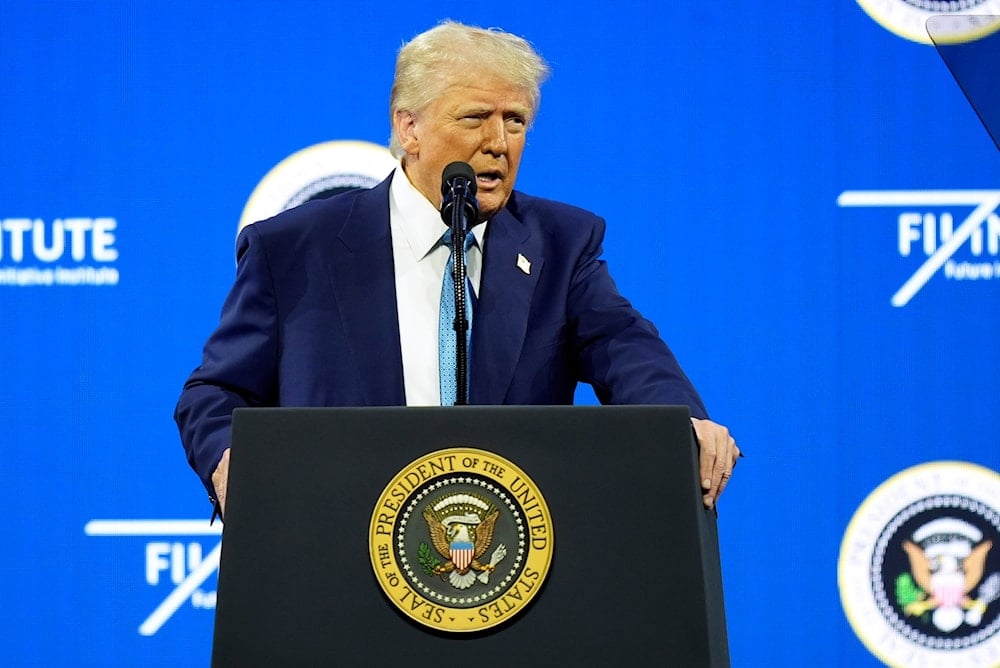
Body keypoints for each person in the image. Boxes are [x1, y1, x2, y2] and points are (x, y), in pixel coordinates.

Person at [174, 20, 740, 520]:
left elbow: (626, 349)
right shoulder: (295, 248)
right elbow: (216, 391)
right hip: (336, 549)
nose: (498, 143)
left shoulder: (561, 246)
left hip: (508, 568)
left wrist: (682, 422)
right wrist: (232, 463)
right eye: (475, 118)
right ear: (409, 127)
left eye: (515, 121)